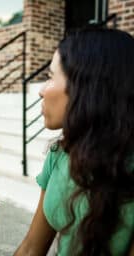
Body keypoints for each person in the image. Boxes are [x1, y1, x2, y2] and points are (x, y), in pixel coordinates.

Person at [14, 28, 134, 256]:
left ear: (87, 88)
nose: (41, 91)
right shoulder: (61, 152)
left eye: (49, 77)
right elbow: (31, 247)